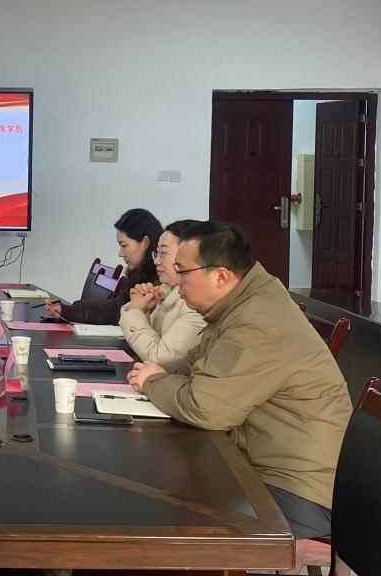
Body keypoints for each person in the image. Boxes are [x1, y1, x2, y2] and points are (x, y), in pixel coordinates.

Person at [126, 221, 351, 540]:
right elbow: (195, 365)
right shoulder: (239, 303)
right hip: (261, 464)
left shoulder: (257, 320)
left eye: (183, 272)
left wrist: (153, 383)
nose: (178, 282)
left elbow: (206, 408)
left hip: (300, 490)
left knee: (177, 514)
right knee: (164, 484)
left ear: (220, 276)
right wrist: (153, 374)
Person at [45, 208, 162, 324]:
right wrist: (67, 311)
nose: (120, 253)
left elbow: (118, 312)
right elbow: (115, 309)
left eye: (124, 245)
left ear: (145, 242)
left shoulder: (161, 279)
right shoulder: (139, 273)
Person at [118, 219, 206, 365]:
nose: (156, 261)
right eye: (157, 254)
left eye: (163, 253)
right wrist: (142, 310)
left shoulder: (195, 304)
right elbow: (150, 344)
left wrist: (135, 311)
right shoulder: (166, 292)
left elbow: (161, 359)